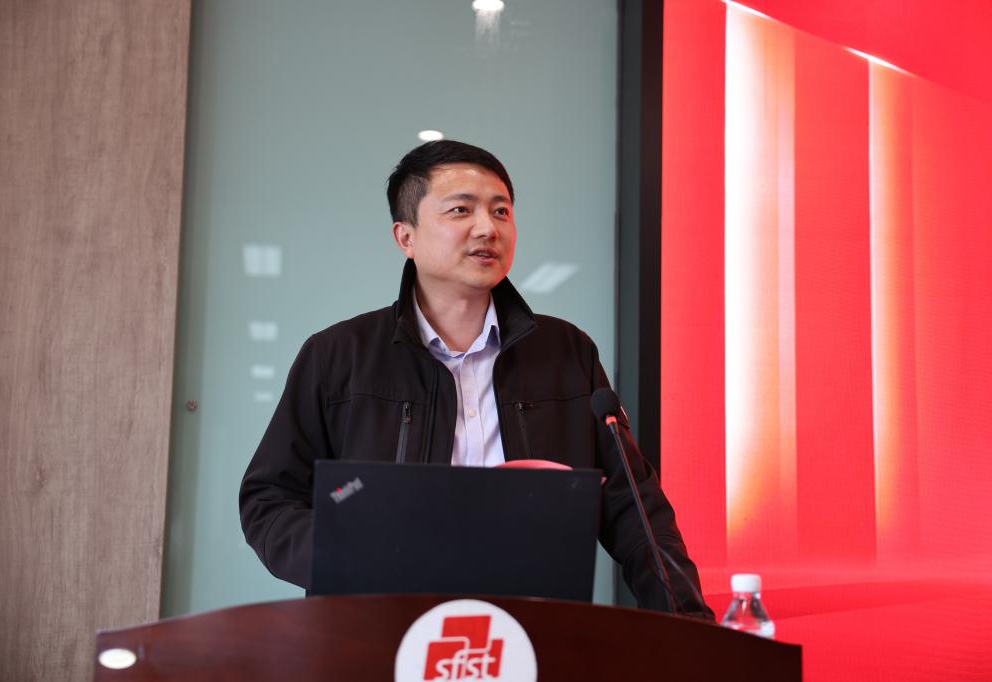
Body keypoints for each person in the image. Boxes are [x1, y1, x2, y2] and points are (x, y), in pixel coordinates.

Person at [239, 140, 713, 619]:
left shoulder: (567, 352)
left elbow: (635, 512)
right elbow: (269, 499)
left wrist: (691, 626)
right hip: (378, 628)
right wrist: (350, 560)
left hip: (532, 628)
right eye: (461, 210)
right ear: (405, 237)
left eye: (501, 211)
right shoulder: (339, 355)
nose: (488, 228)